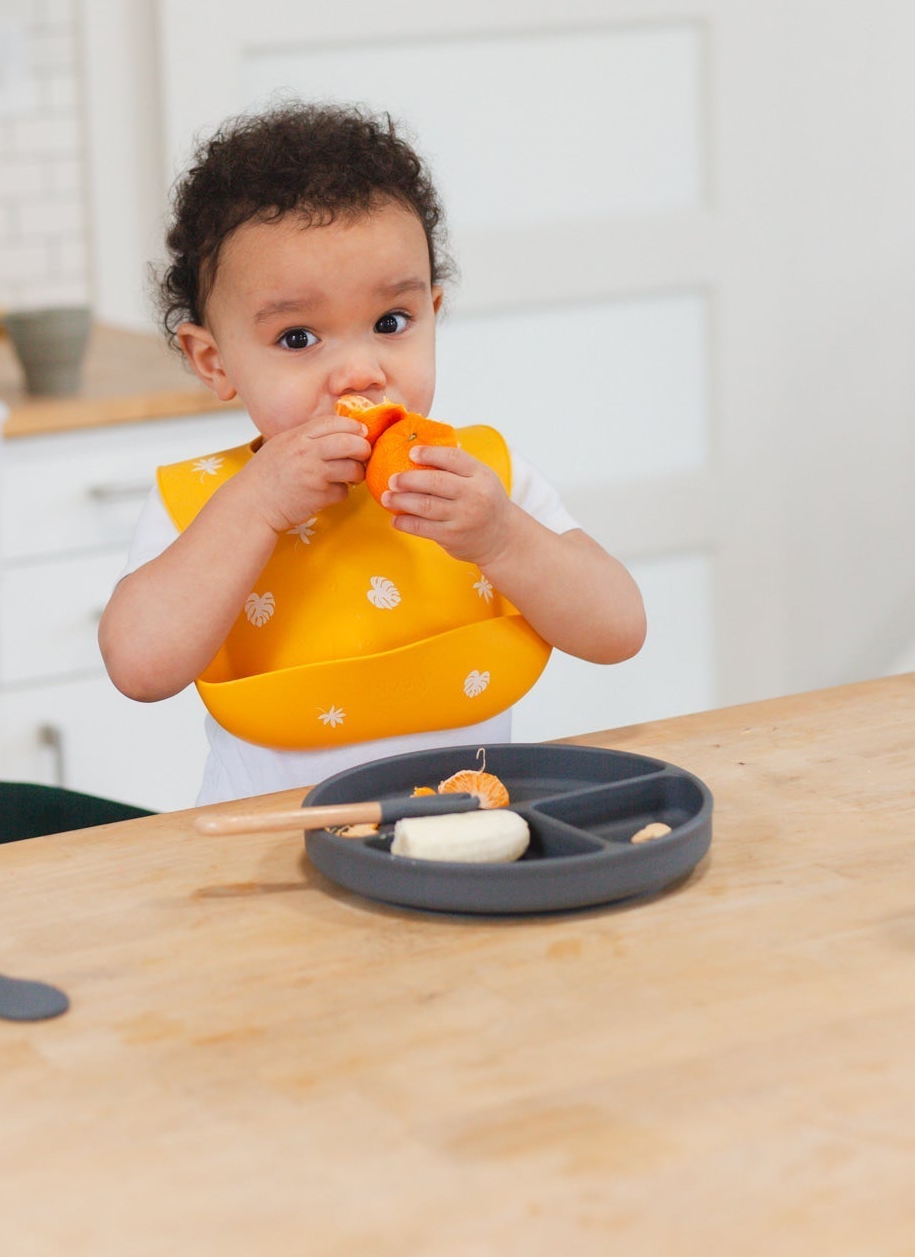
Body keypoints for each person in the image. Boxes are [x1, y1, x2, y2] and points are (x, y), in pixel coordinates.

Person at [99, 102, 646, 806]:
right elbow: (139, 669)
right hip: (271, 870)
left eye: (391, 323)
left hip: (461, 846)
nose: (360, 371)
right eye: (298, 338)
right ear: (214, 361)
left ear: (432, 313)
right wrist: (257, 506)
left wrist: (502, 537)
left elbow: (617, 629)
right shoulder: (210, 500)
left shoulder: (476, 481)